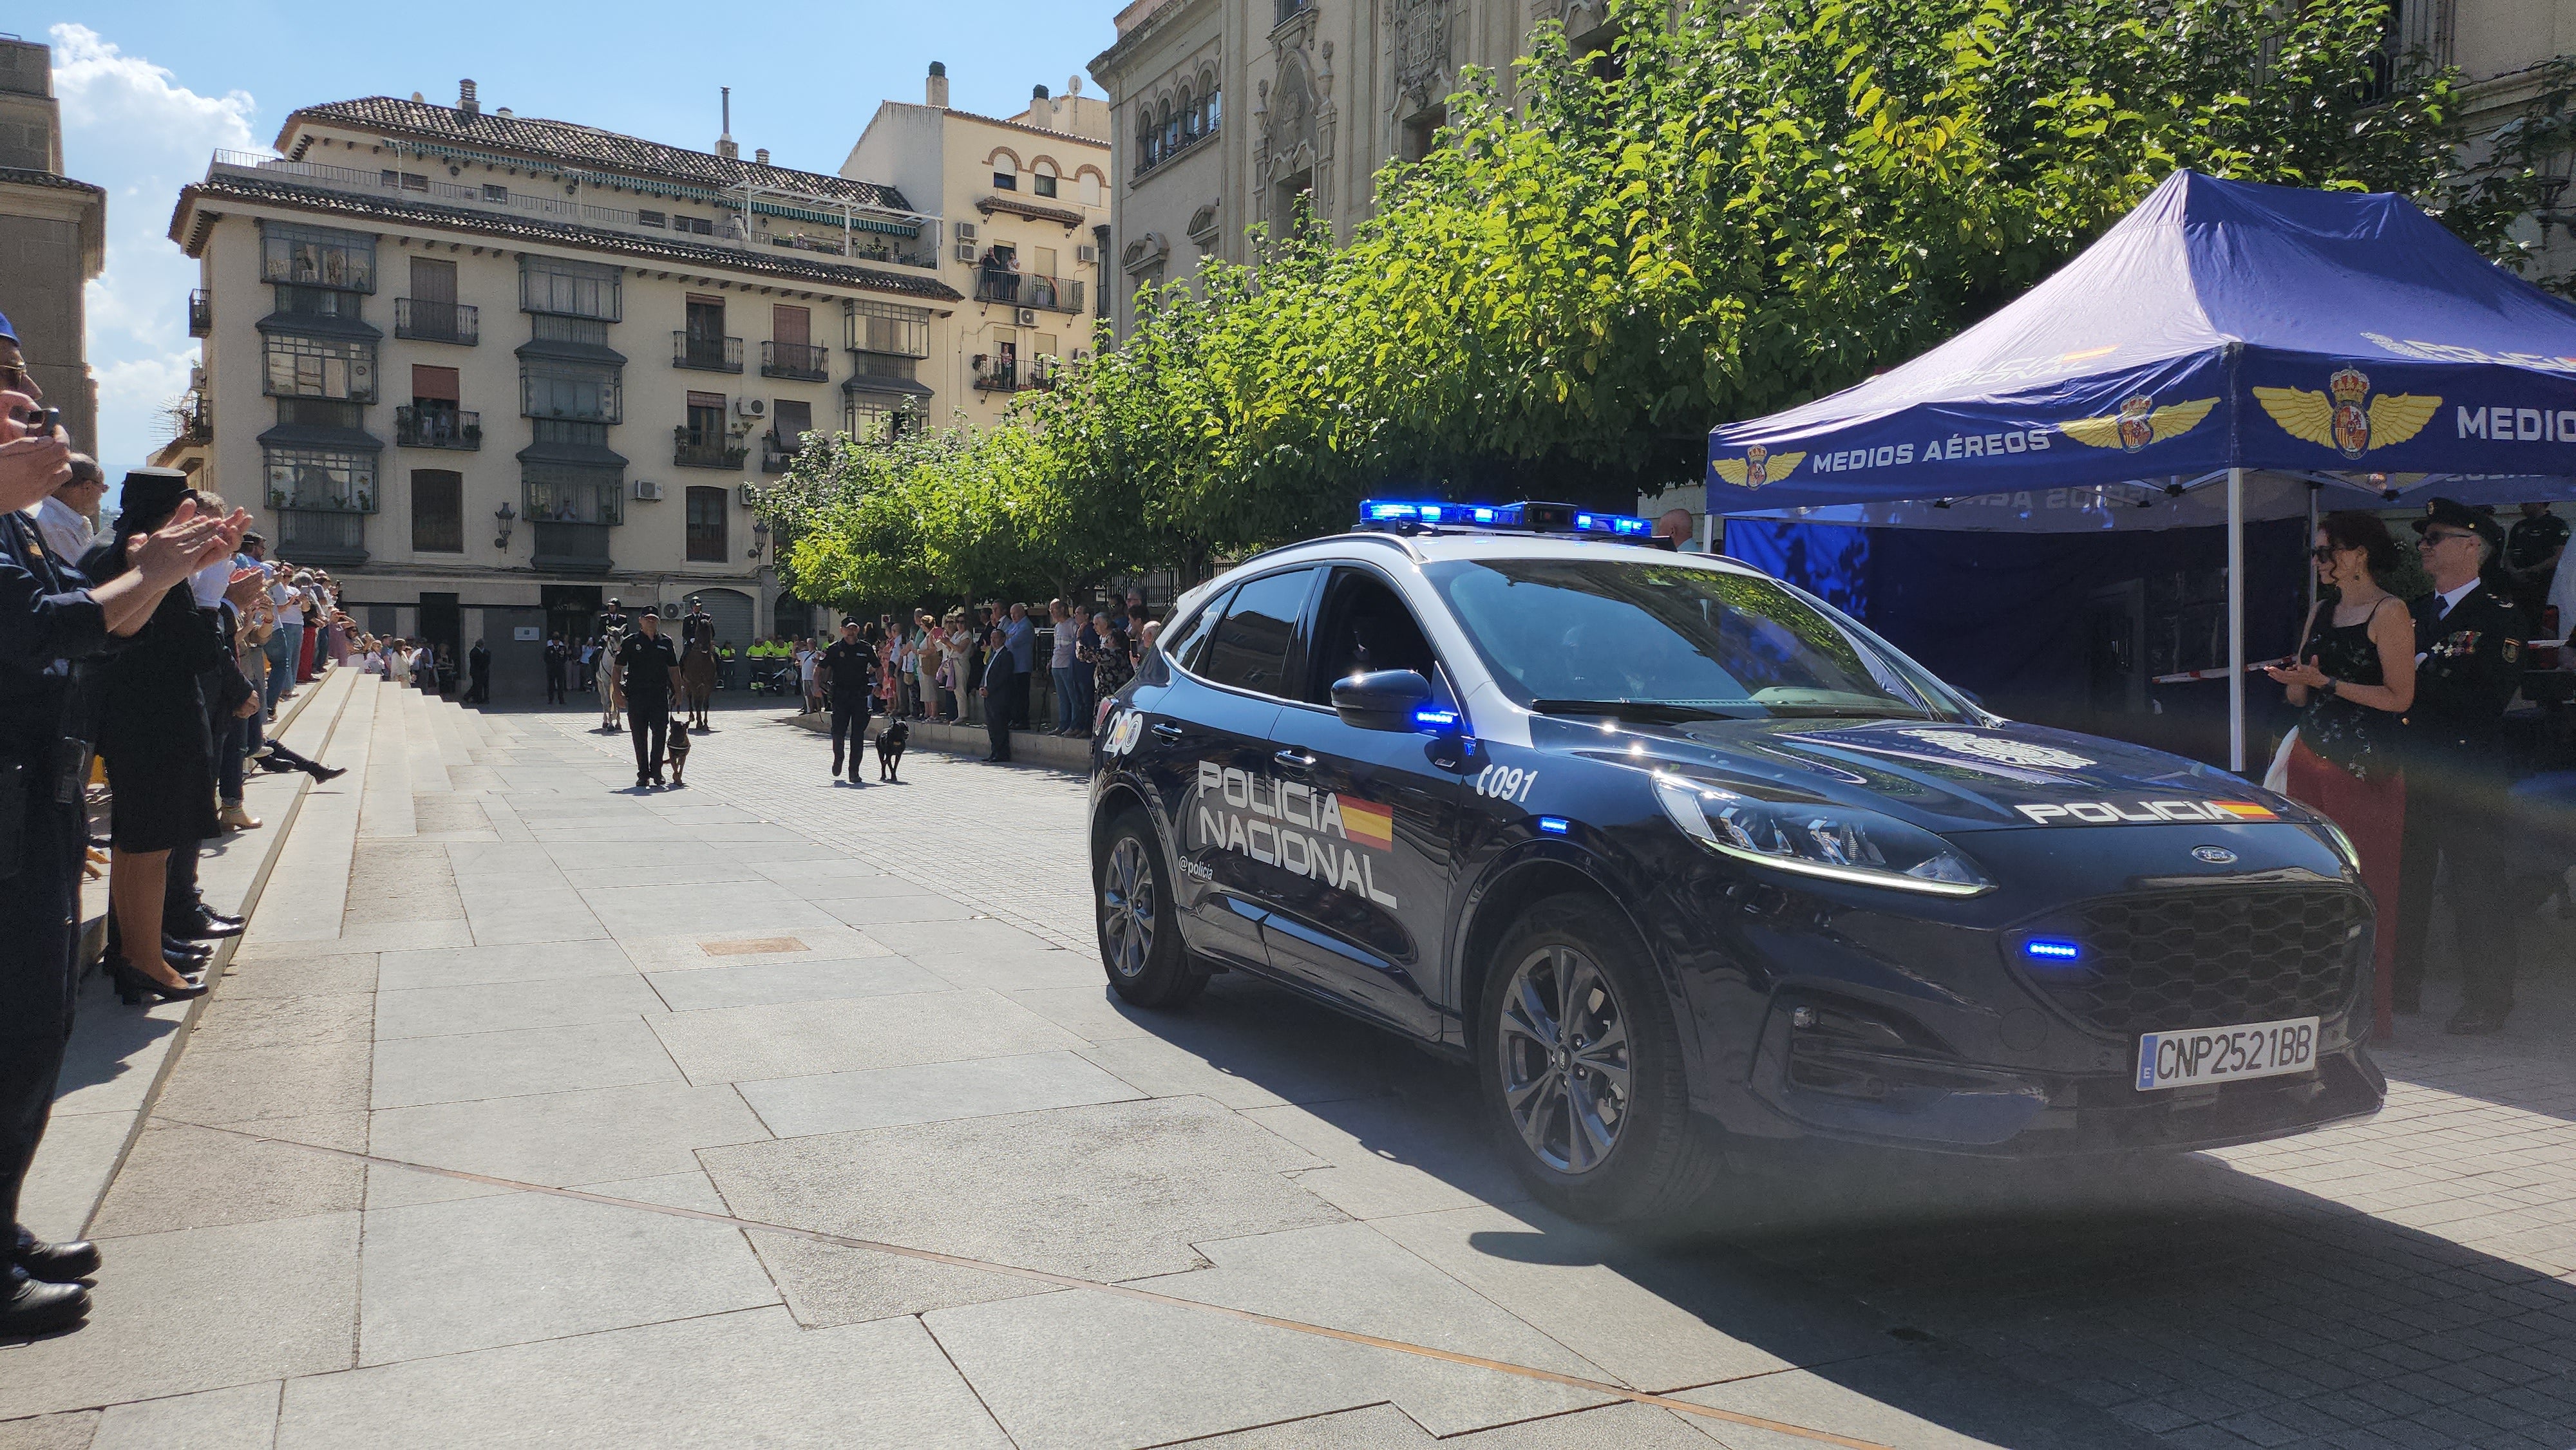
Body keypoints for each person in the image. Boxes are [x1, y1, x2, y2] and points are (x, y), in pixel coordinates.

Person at [1, 372, 240, 1333]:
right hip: (18, 796)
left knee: (35, 1028)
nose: (41, 421)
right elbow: (45, 629)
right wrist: (156, 575)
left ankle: (3, 1224)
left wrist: (166, 572)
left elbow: (95, 623)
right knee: (15, 1027)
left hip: (40, 800)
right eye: (17, 411)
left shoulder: (18, 531)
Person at [82, 472, 243, 1008]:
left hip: (136, 719)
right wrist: (207, 592)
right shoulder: (144, 560)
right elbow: (194, 648)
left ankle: (139, 949)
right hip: (154, 721)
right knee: (149, 849)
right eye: (187, 515)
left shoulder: (114, 552)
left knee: (138, 847)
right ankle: (144, 961)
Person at [2266, 512, 2416, 1039]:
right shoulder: (2321, 610)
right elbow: (2299, 696)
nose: (2318, 561)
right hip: (2311, 756)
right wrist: (2294, 679)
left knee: (2367, 886)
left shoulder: (2390, 611)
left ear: (2358, 555)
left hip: (2364, 766)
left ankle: (2368, 1016)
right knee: (2312, 885)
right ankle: (2313, 1007)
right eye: (2316, 552)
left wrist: (2326, 682)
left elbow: (2400, 697)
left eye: (2326, 551)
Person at [2392, 499, 2529, 1036]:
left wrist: (2413, 683)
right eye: (2423, 538)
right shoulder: (2408, 612)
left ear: (2473, 546)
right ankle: (2400, 988)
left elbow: (2487, 698)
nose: (2424, 546)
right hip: (2412, 767)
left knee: (2477, 887)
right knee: (2406, 882)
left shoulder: (2499, 615)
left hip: (2466, 773)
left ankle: (2488, 1000)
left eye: (2435, 537)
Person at [615, 610, 683, 788]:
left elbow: (674, 669)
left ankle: (657, 772)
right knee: (639, 735)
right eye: (648, 619)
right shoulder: (631, 641)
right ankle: (643, 774)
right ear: (641, 621)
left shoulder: (666, 642)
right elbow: (617, 667)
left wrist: (678, 692)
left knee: (660, 733)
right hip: (637, 695)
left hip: (659, 695)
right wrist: (616, 693)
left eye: (654, 619)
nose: (651, 621)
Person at [820, 618, 878, 782]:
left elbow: (878, 667)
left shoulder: (865, 648)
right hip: (840, 696)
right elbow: (821, 668)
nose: (851, 632)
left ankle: (854, 772)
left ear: (858, 630)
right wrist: (818, 687)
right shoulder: (834, 649)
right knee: (838, 732)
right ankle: (839, 757)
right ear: (842, 630)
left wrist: (880, 685)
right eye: (848, 629)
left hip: (859, 696)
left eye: (854, 628)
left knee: (858, 735)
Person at [2503, 500, 2568, 636]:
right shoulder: (2519, 526)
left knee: (2542, 626)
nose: (2521, 506)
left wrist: (2533, 570)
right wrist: (2513, 571)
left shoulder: (2556, 524)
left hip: (2543, 587)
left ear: (2539, 503)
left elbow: (2559, 555)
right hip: (2519, 587)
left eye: (2526, 503)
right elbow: (2508, 554)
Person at [30, 455, 102, 563]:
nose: (101, 496)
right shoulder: (57, 527)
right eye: (103, 488)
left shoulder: (59, 518)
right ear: (87, 487)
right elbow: (77, 571)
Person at [978, 620, 1018, 762]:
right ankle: (994, 752)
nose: (993, 641)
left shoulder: (1006, 655)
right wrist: (982, 686)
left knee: (1000, 725)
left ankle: (1002, 753)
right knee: (992, 726)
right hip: (988, 696)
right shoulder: (993, 655)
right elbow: (987, 672)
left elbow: (1003, 677)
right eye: (992, 638)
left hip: (999, 696)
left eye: (996, 638)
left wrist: (989, 689)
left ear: (1003, 639)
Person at [1003, 602, 1036, 730]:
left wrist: (1008, 638)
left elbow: (1011, 643)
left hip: (1022, 666)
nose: (1013, 616)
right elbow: (1003, 636)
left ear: (1022, 612)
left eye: (1015, 613)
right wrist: (1007, 637)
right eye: (1011, 614)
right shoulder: (1013, 625)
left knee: (1021, 695)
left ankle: (1023, 720)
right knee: (1014, 695)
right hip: (1013, 666)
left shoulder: (1026, 626)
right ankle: (1015, 719)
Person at [680, 631, 717, 731]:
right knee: (684, 657)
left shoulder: (706, 622)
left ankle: (718, 675)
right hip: (692, 644)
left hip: (706, 644)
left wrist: (708, 640)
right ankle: (682, 673)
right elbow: (685, 632)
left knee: (717, 657)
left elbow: (712, 632)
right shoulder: (689, 621)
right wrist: (691, 639)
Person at [544, 634, 571, 704]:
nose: (556, 642)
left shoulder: (563, 648)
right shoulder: (549, 649)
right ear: (553, 641)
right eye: (555, 641)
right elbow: (546, 658)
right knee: (551, 685)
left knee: (560, 685)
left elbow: (565, 657)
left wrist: (561, 663)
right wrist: (551, 664)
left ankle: (561, 700)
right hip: (551, 669)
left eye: (557, 641)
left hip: (560, 669)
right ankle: (551, 699)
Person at [465, 638, 491, 704]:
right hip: (476, 672)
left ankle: (485, 698)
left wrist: (485, 668)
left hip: (485, 671)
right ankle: (476, 698)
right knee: (477, 686)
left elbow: (488, 661)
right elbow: (475, 663)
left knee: (485, 685)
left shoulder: (487, 652)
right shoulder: (474, 652)